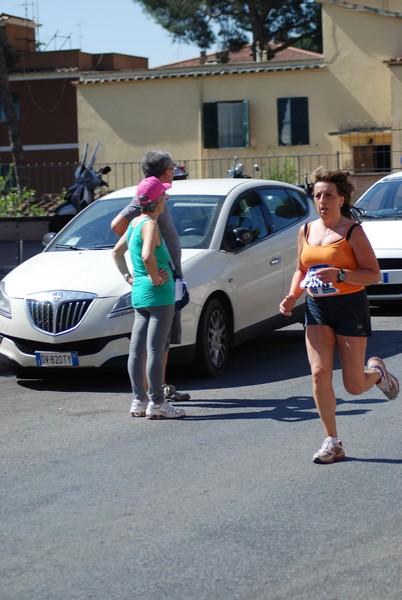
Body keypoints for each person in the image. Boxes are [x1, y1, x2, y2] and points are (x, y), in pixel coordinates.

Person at [279, 166, 399, 464]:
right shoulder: (306, 231)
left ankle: (378, 374)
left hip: (350, 308)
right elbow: (301, 269)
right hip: (317, 307)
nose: (322, 201)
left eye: (328, 195)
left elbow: (372, 275)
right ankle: (332, 441)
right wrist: (293, 295)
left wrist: (341, 274)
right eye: (317, 195)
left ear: (341, 199)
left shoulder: (352, 232)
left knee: (354, 385)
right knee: (319, 372)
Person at [111, 149, 190, 403]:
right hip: (157, 285)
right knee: (157, 345)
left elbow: (118, 251)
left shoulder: (148, 206)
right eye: (173, 167)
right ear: (166, 170)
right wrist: (152, 268)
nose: (166, 197)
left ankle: (145, 395)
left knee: (144, 345)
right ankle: (156, 396)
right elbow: (120, 230)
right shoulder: (147, 212)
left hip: (148, 285)